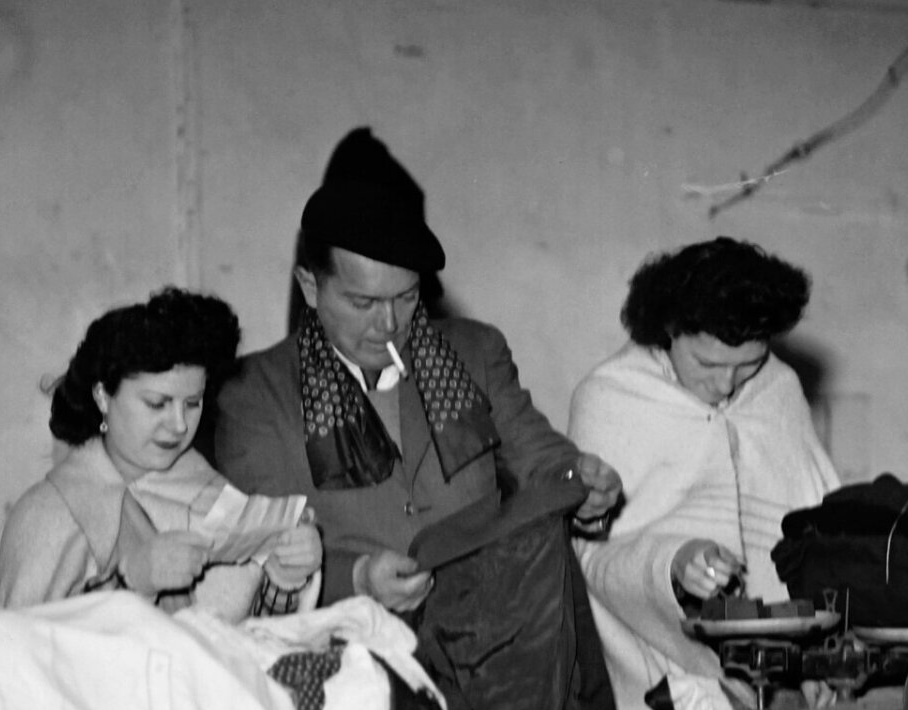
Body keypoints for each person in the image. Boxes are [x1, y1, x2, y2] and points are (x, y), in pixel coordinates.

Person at [212, 128, 620, 612]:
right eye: (362, 302)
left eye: (406, 298)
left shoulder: (475, 353)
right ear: (309, 286)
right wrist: (358, 577)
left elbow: (541, 459)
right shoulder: (254, 395)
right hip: (347, 641)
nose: (388, 324)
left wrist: (583, 485)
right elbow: (256, 551)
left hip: (491, 627)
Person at [569, 238, 841, 710]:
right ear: (667, 332)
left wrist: (815, 654)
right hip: (653, 680)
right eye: (708, 364)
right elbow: (589, 556)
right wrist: (672, 563)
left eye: (748, 364)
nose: (726, 385)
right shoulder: (610, 395)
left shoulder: (778, 387)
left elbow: (814, 529)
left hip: (781, 684)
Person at [0, 288, 320, 617]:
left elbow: (248, 645)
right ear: (103, 396)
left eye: (192, 403)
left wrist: (285, 578)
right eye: (157, 403)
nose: (179, 424)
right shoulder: (46, 516)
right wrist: (131, 582)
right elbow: (24, 652)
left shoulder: (211, 493)